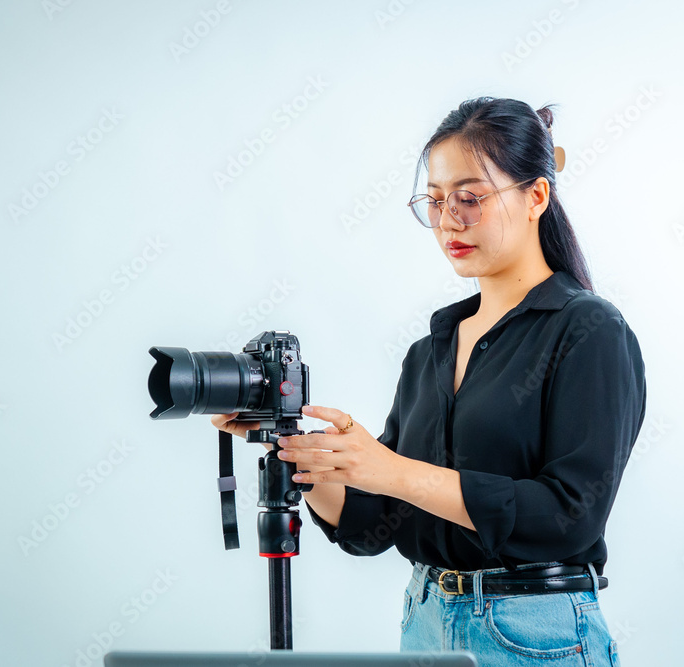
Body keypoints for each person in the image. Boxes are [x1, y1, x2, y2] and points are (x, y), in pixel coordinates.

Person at [212, 96, 646, 666]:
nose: (447, 221)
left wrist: (392, 469)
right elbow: (372, 526)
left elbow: (570, 515)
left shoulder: (588, 330)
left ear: (536, 195)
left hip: (534, 632)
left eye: (469, 199)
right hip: (426, 621)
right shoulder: (430, 350)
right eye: (435, 201)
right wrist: (297, 450)